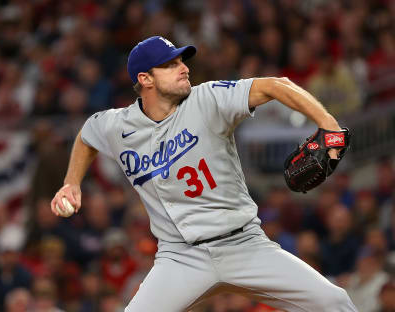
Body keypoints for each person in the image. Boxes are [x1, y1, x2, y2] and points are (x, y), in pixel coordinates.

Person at [51, 36, 357, 312]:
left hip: (244, 245)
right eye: (170, 65)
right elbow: (87, 135)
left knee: (334, 302)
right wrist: (71, 182)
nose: (183, 68)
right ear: (145, 79)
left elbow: (276, 85)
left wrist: (328, 124)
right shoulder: (118, 125)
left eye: (182, 61)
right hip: (181, 258)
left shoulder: (207, 99)